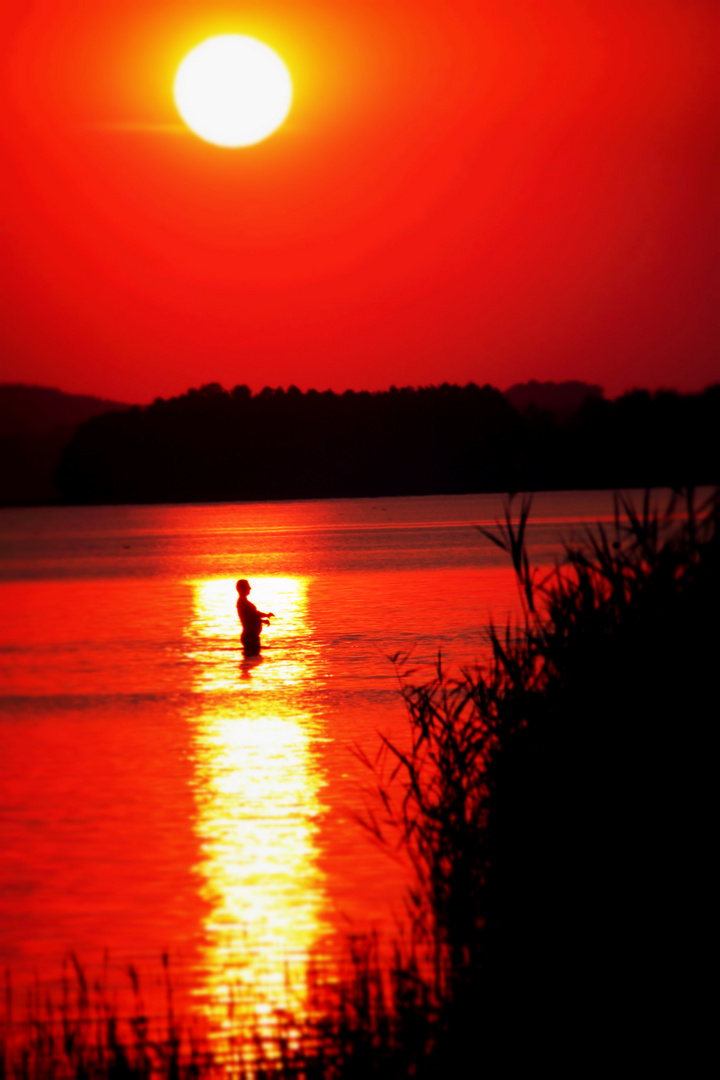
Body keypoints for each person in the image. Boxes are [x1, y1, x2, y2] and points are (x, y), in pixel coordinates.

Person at [236, 579, 274, 656]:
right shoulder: (243, 603)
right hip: (250, 637)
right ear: (242, 588)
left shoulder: (244, 602)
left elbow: (253, 615)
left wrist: (265, 617)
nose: (250, 588)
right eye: (248, 586)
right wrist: (262, 620)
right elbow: (249, 618)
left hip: (251, 636)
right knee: (252, 660)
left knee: (253, 661)